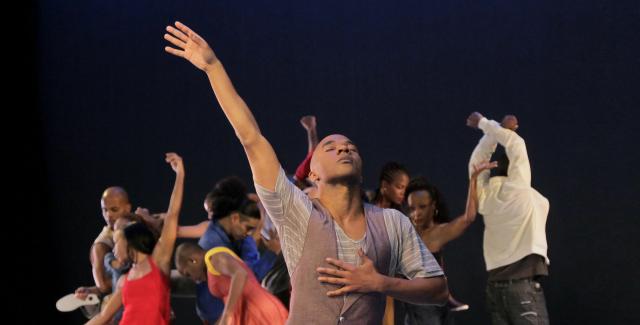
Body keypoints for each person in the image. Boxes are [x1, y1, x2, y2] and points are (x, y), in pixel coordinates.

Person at [164, 21, 448, 324]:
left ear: (362, 171)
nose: (344, 149)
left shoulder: (393, 223)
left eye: (350, 146)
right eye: (330, 146)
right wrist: (213, 68)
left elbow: (438, 289)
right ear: (313, 174)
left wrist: (382, 283)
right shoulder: (296, 210)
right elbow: (251, 138)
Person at [467, 112, 550, 325]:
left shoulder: (485, 198)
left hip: (495, 289)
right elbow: (516, 145)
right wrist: (487, 124)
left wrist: (492, 132)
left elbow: (476, 165)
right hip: (522, 288)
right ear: (514, 170)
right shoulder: (519, 188)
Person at [86, 153, 185, 325]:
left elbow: (172, 215)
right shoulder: (126, 279)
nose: (114, 249)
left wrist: (180, 175)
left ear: (130, 241)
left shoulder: (158, 262)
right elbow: (102, 317)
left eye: (118, 243)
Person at [403, 161, 496, 324]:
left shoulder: (438, 233)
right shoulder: (405, 231)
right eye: (411, 208)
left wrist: (473, 179)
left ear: (434, 207)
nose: (416, 213)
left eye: (422, 207)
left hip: (433, 308)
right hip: (417, 308)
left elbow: (468, 218)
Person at [75, 187, 132, 318]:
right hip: (118, 313)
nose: (108, 215)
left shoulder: (137, 226)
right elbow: (104, 286)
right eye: (104, 210)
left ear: (128, 208)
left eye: (114, 209)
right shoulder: (101, 246)